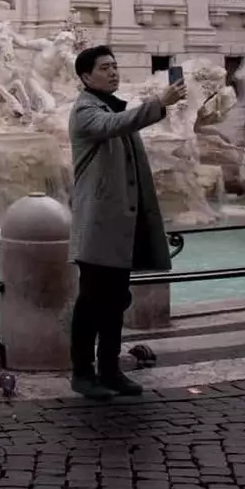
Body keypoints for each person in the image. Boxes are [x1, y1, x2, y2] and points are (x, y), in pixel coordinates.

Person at [67, 45, 185, 399]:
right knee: (90, 303)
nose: (114, 72)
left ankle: (110, 369)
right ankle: (82, 373)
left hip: (119, 225)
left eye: (115, 67)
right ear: (86, 77)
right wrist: (159, 104)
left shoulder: (108, 105)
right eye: (105, 68)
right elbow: (115, 125)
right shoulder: (86, 111)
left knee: (116, 301)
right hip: (98, 226)